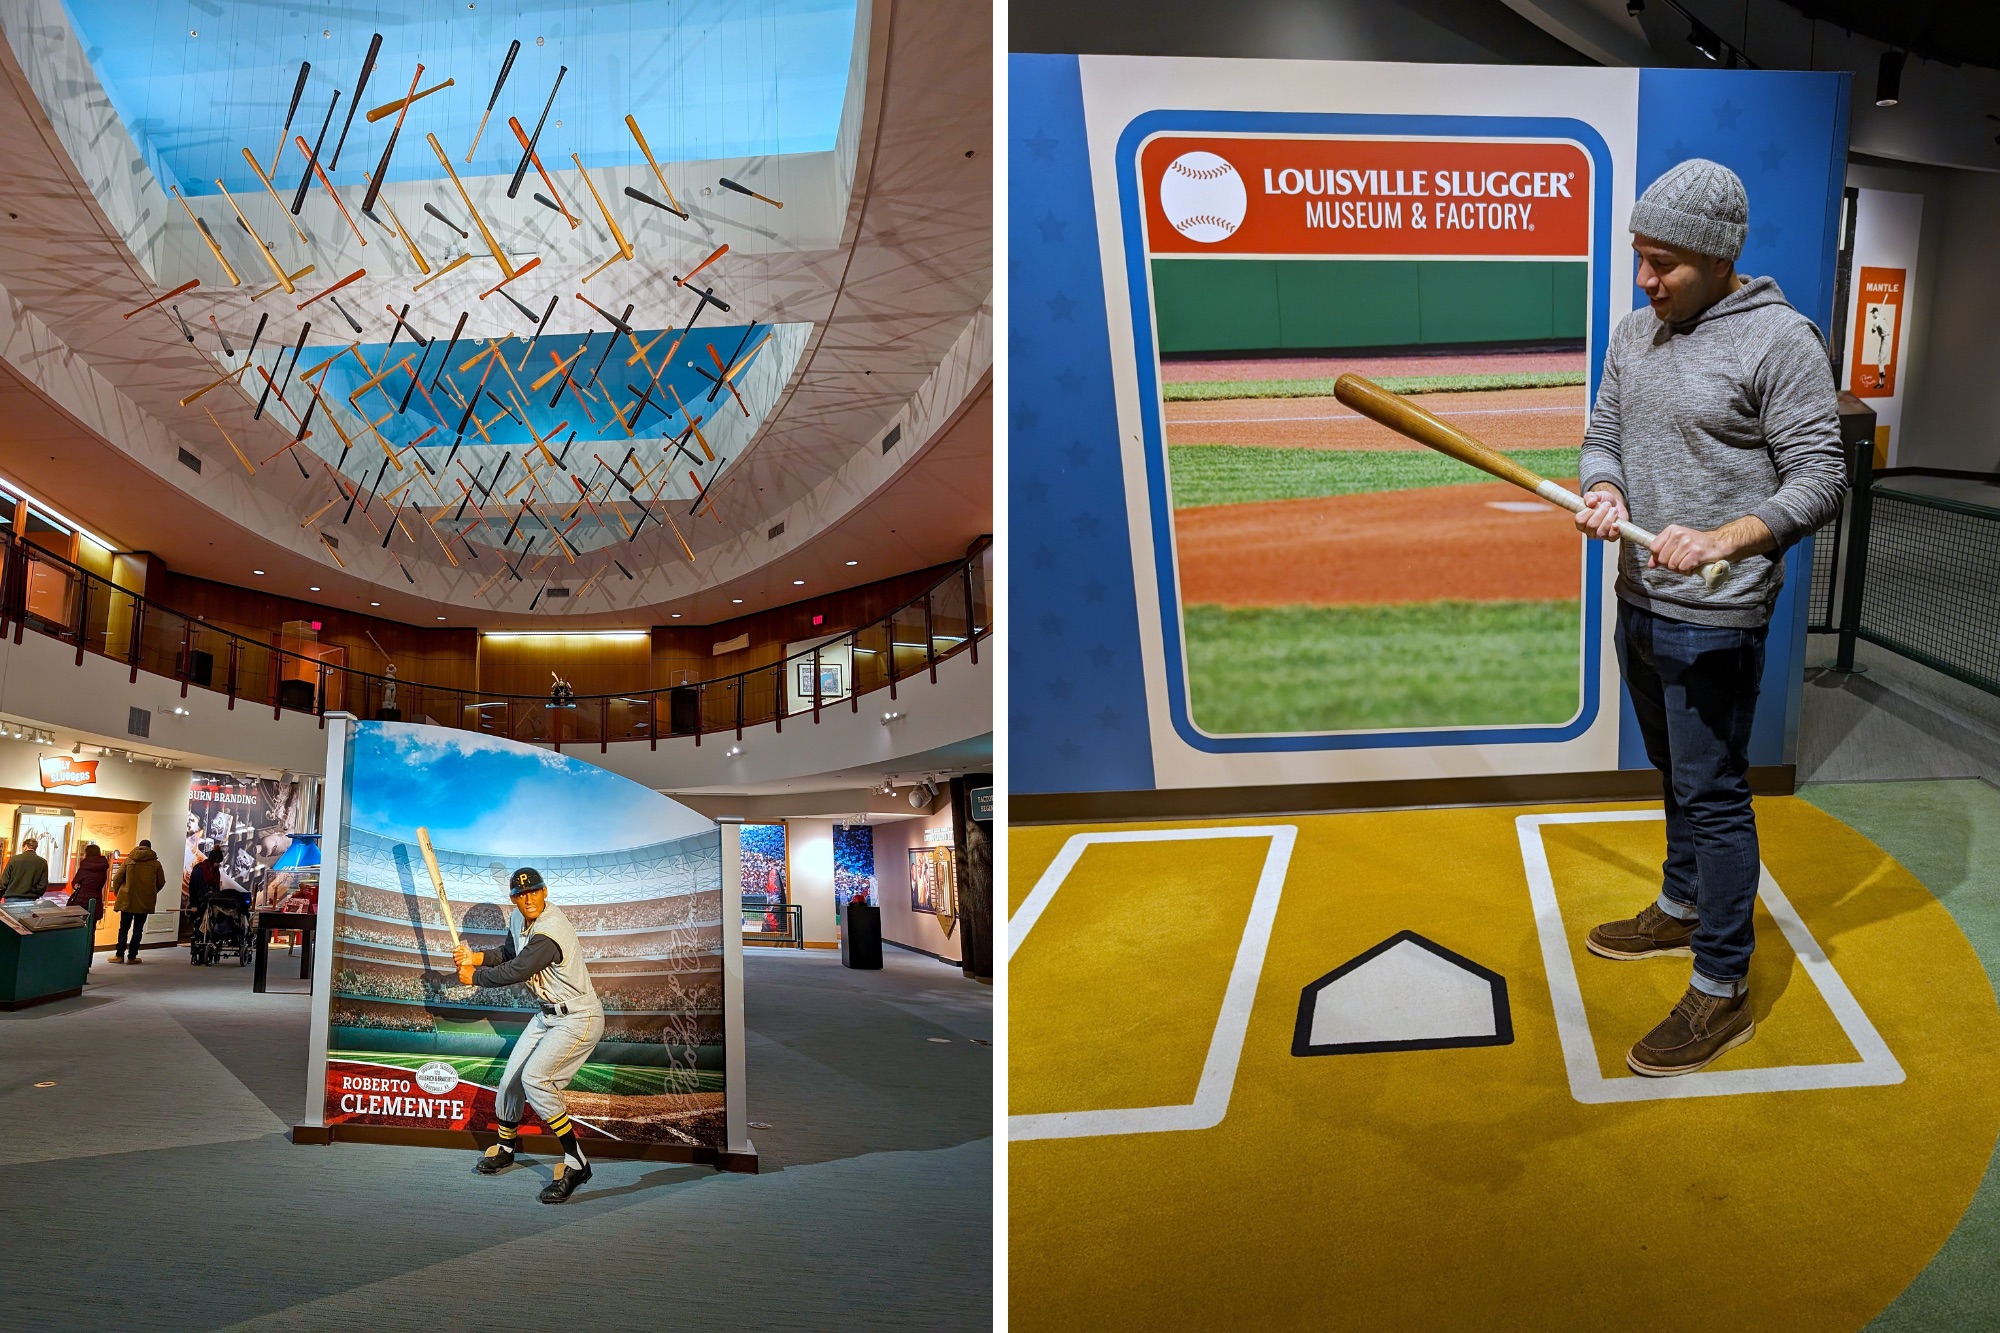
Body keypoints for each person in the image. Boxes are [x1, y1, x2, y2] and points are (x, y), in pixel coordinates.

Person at [1575, 159, 1846, 1078]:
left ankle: (1722, 985)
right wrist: (1604, 487)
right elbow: (1601, 433)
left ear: (1720, 257)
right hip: (1640, 599)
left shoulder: (1780, 342)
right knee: (1675, 771)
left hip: (1715, 615)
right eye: (1640, 260)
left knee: (1717, 793)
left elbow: (1821, 478)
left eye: (1665, 264)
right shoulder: (1635, 332)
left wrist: (1726, 537)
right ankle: (1681, 904)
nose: (1647, 282)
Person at [452, 867, 603, 1204]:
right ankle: (506, 1148)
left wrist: (474, 977)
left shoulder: (552, 928)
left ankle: (576, 1163)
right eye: (521, 895)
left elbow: (519, 969)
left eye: (533, 891)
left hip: (578, 1016)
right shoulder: (518, 920)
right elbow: (509, 954)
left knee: (535, 1080)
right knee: (509, 1083)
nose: (528, 898)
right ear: (514, 899)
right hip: (547, 1014)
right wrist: (474, 956)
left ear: (544, 892)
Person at [111, 839, 166, 963]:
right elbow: (161, 882)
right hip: (144, 901)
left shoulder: (128, 861)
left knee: (123, 928)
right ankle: (132, 957)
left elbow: (117, 878)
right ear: (150, 848)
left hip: (127, 900)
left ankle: (119, 955)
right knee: (138, 929)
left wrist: (118, 893)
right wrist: (151, 893)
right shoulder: (156, 864)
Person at [1, 836, 48, 902]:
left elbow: (4, 881)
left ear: (25, 846)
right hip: (30, 898)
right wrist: (36, 895)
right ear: (35, 848)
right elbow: (43, 885)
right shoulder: (42, 862)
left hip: (11, 897)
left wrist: (0, 895)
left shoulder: (14, 859)